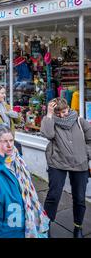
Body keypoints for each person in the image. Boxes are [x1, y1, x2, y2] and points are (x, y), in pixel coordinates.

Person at [0, 123, 50, 238]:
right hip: (0, 225)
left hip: (21, 219)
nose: (9, 145)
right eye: (4, 141)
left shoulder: (16, 157)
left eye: (11, 140)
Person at [40, 98, 91, 238]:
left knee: (79, 198)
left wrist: (85, 154)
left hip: (80, 163)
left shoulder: (80, 121)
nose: (62, 115)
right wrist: (49, 114)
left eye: (64, 111)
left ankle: (78, 228)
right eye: (58, 113)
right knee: (53, 195)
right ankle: (46, 225)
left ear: (68, 108)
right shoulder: (51, 121)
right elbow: (48, 134)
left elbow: (90, 139)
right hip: (57, 162)